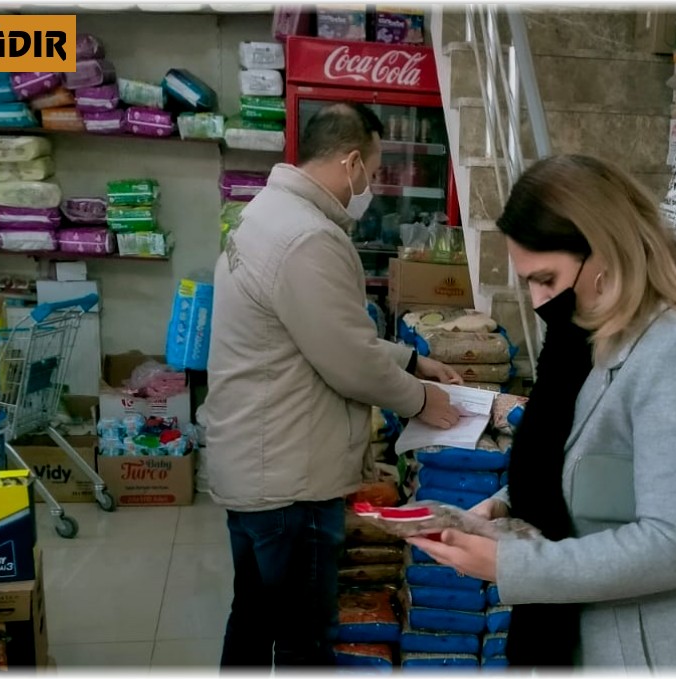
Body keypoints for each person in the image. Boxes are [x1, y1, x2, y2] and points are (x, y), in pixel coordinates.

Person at [410, 154, 676, 670]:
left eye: (547, 278)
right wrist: (509, 506)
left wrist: (511, 563)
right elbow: (592, 460)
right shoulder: (599, 339)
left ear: (604, 250)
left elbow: (675, 545)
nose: (539, 301)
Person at [202, 102, 464, 669]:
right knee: (304, 640)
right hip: (289, 480)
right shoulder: (308, 237)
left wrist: (412, 360)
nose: (370, 182)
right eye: (372, 166)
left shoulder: (265, 214)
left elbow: (317, 332)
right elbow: (346, 360)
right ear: (351, 163)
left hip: (252, 459)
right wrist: (423, 400)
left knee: (251, 619)